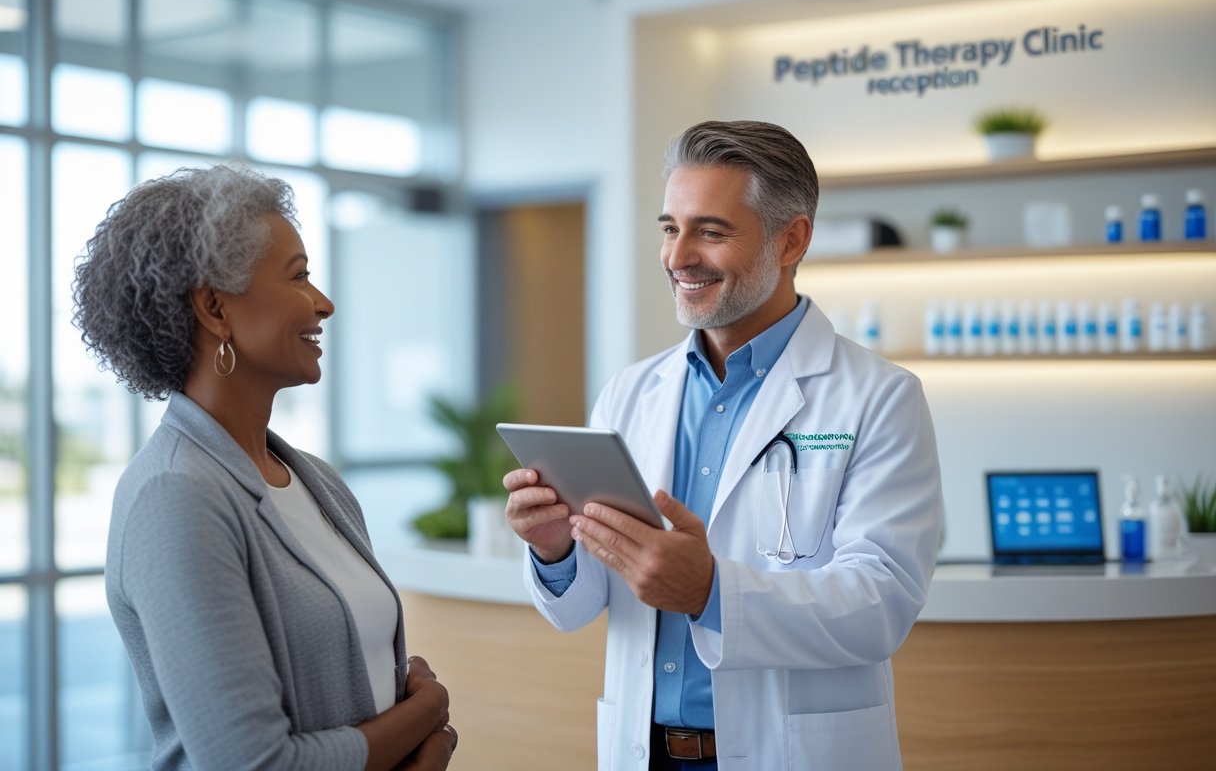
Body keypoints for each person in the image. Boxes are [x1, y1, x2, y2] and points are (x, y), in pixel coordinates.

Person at [504, 120, 941, 770]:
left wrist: (711, 590)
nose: (678, 256)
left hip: (789, 754)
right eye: (669, 228)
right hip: (644, 751)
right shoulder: (631, 393)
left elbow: (880, 605)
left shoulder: (878, 397)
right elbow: (582, 605)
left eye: (710, 231)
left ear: (791, 239)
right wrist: (556, 548)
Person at [73, 166, 457, 771]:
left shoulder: (316, 481)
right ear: (214, 307)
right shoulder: (176, 495)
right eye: (300, 276)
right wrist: (426, 714)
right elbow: (251, 763)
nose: (324, 304)